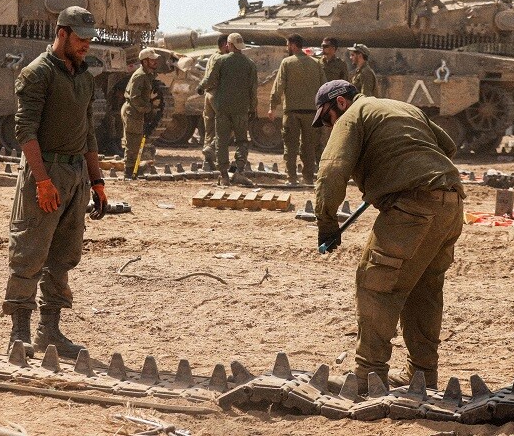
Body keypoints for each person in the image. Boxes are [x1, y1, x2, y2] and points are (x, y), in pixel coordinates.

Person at [312, 79, 465, 391]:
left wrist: (327, 224)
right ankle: (422, 374)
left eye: (327, 118)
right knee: (423, 289)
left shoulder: (352, 115)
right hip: (451, 204)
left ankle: (369, 374)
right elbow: (447, 147)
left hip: (413, 206)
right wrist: (393, 167)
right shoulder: (401, 108)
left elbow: (331, 171)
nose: (330, 126)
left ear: (339, 103)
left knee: (376, 282)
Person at [4, 6, 108, 359]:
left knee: (64, 255)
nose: (86, 46)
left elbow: (88, 132)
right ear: (62, 33)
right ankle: (19, 333)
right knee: (29, 251)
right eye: (80, 39)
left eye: (90, 40)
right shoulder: (37, 74)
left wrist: (98, 182)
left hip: (75, 174)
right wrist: (42, 181)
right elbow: (24, 131)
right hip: (44, 170)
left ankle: (49, 332)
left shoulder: (84, 77)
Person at [199, 32, 257, 185]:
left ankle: (224, 176)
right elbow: (253, 89)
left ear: (229, 45)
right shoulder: (250, 64)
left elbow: (210, 78)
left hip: (222, 108)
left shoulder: (221, 60)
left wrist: (200, 87)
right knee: (242, 141)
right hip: (241, 109)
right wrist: (253, 108)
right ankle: (238, 171)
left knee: (221, 141)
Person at [268, 33, 325, 184]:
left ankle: (292, 178)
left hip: (292, 111)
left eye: (288, 45)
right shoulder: (316, 63)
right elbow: (324, 87)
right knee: (309, 148)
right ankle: (308, 178)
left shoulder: (287, 62)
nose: (288, 48)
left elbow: (278, 86)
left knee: (290, 146)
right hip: (312, 112)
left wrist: (272, 107)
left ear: (293, 45)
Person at [122, 47, 161, 179]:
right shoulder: (140, 76)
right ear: (144, 61)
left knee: (137, 141)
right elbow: (134, 98)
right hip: (133, 111)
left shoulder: (147, 75)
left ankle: (134, 168)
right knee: (132, 142)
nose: (155, 62)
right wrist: (148, 108)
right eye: (152, 60)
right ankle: (129, 172)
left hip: (138, 110)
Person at [197, 34, 230, 167]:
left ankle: (208, 160)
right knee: (226, 126)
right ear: (224, 45)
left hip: (209, 94)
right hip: (218, 95)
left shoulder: (212, 57)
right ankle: (213, 149)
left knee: (209, 129)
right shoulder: (222, 59)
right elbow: (214, 77)